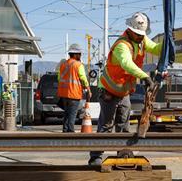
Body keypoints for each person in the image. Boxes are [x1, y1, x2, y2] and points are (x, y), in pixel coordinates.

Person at [88, 12, 162, 165]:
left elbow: (155, 48)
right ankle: (95, 156)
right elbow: (126, 64)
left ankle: (122, 156)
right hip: (109, 90)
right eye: (139, 34)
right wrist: (145, 77)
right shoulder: (122, 45)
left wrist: (167, 44)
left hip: (124, 92)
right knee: (106, 126)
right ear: (131, 31)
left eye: (143, 34)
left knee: (123, 125)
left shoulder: (141, 40)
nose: (142, 37)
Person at [57, 44, 92, 133]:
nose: (80, 56)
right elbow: (83, 78)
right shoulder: (78, 65)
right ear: (75, 54)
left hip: (64, 94)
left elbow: (59, 78)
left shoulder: (63, 64)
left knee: (67, 114)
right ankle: (71, 132)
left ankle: (65, 131)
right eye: (79, 54)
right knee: (72, 115)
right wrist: (88, 89)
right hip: (73, 94)